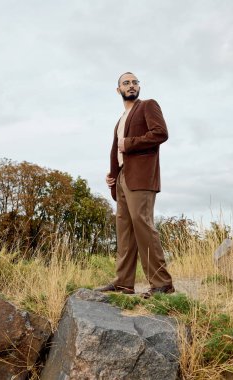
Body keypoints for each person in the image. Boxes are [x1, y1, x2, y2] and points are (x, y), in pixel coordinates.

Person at [96, 72, 174, 298]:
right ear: (118, 89)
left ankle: (162, 284)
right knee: (125, 231)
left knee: (143, 225)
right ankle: (123, 283)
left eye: (135, 82)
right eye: (126, 83)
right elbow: (115, 150)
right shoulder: (120, 120)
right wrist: (113, 175)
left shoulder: (148, 106)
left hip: (141, 177)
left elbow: (160, 133)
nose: (131, 86)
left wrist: (129, 143)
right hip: (123, 179)